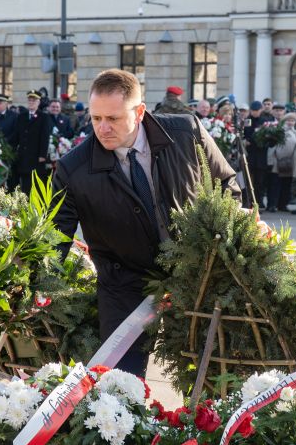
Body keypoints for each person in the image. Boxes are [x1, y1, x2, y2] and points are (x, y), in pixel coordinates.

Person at [52, 69, 239, 376]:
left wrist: (219, 236)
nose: (102, 128)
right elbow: (56, 234)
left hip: (195, 275)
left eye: (113, 118)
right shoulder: (74, 168)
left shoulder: (186, 133)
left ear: (139, 112)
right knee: (119, 384)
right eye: (96, 118)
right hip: (122, 282)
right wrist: (36, 282)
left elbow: (227, 184)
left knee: (206, 373)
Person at [10, 90, 52, 193]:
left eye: (34, 100)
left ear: (38, 102)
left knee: (35, 181)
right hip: (23, 155)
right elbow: (16, 135)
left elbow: (45, 136)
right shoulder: (21, 116)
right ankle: (26, 203)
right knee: (24, 181)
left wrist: (43, 155)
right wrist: (8, 148)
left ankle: (35, 205)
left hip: (36, 156)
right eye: (29, 100)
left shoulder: (44, 117)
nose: (31, 102)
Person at [243, 100, 275, 209]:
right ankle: (251, 201)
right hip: (251, 154)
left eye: (257, 110)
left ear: (260, 110)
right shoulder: (247, 120)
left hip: (262, 155)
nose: (255, 112)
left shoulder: (265, 121)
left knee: (260, 181)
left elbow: (270, 138)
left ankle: (259, 201)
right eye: (253, 110)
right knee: (250, 180)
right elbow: (247, 134)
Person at [265, 112, 296, 212]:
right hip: (277, 162)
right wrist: (271, 160)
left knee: (286, 185)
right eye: (288, 120)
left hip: (290, 163)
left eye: (292, 121)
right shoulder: (278, 131)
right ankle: (272, 204)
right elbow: (272, 147)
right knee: (275, 185)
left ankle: (283, 205)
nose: (290, 122)